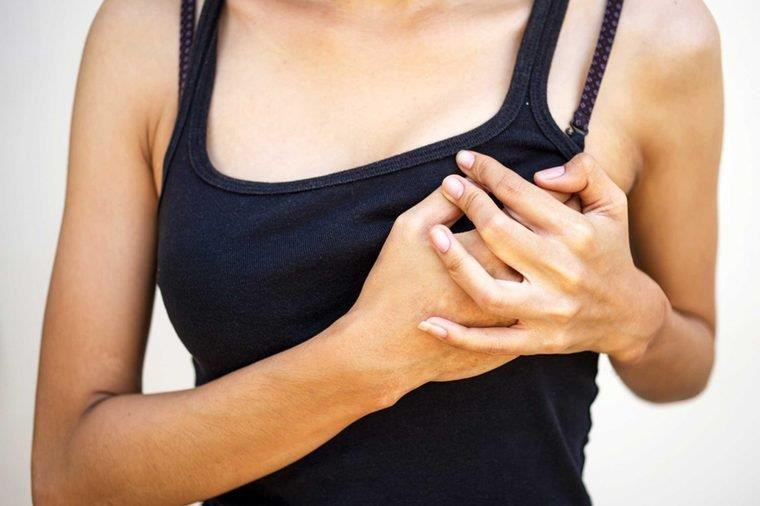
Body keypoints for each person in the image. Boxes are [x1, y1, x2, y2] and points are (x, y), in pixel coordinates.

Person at [32, 0, 722, 504]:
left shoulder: (646, 36)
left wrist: (633, 319)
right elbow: (68, 476)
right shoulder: (153, 34)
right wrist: (369, 359)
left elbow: (686, 361)